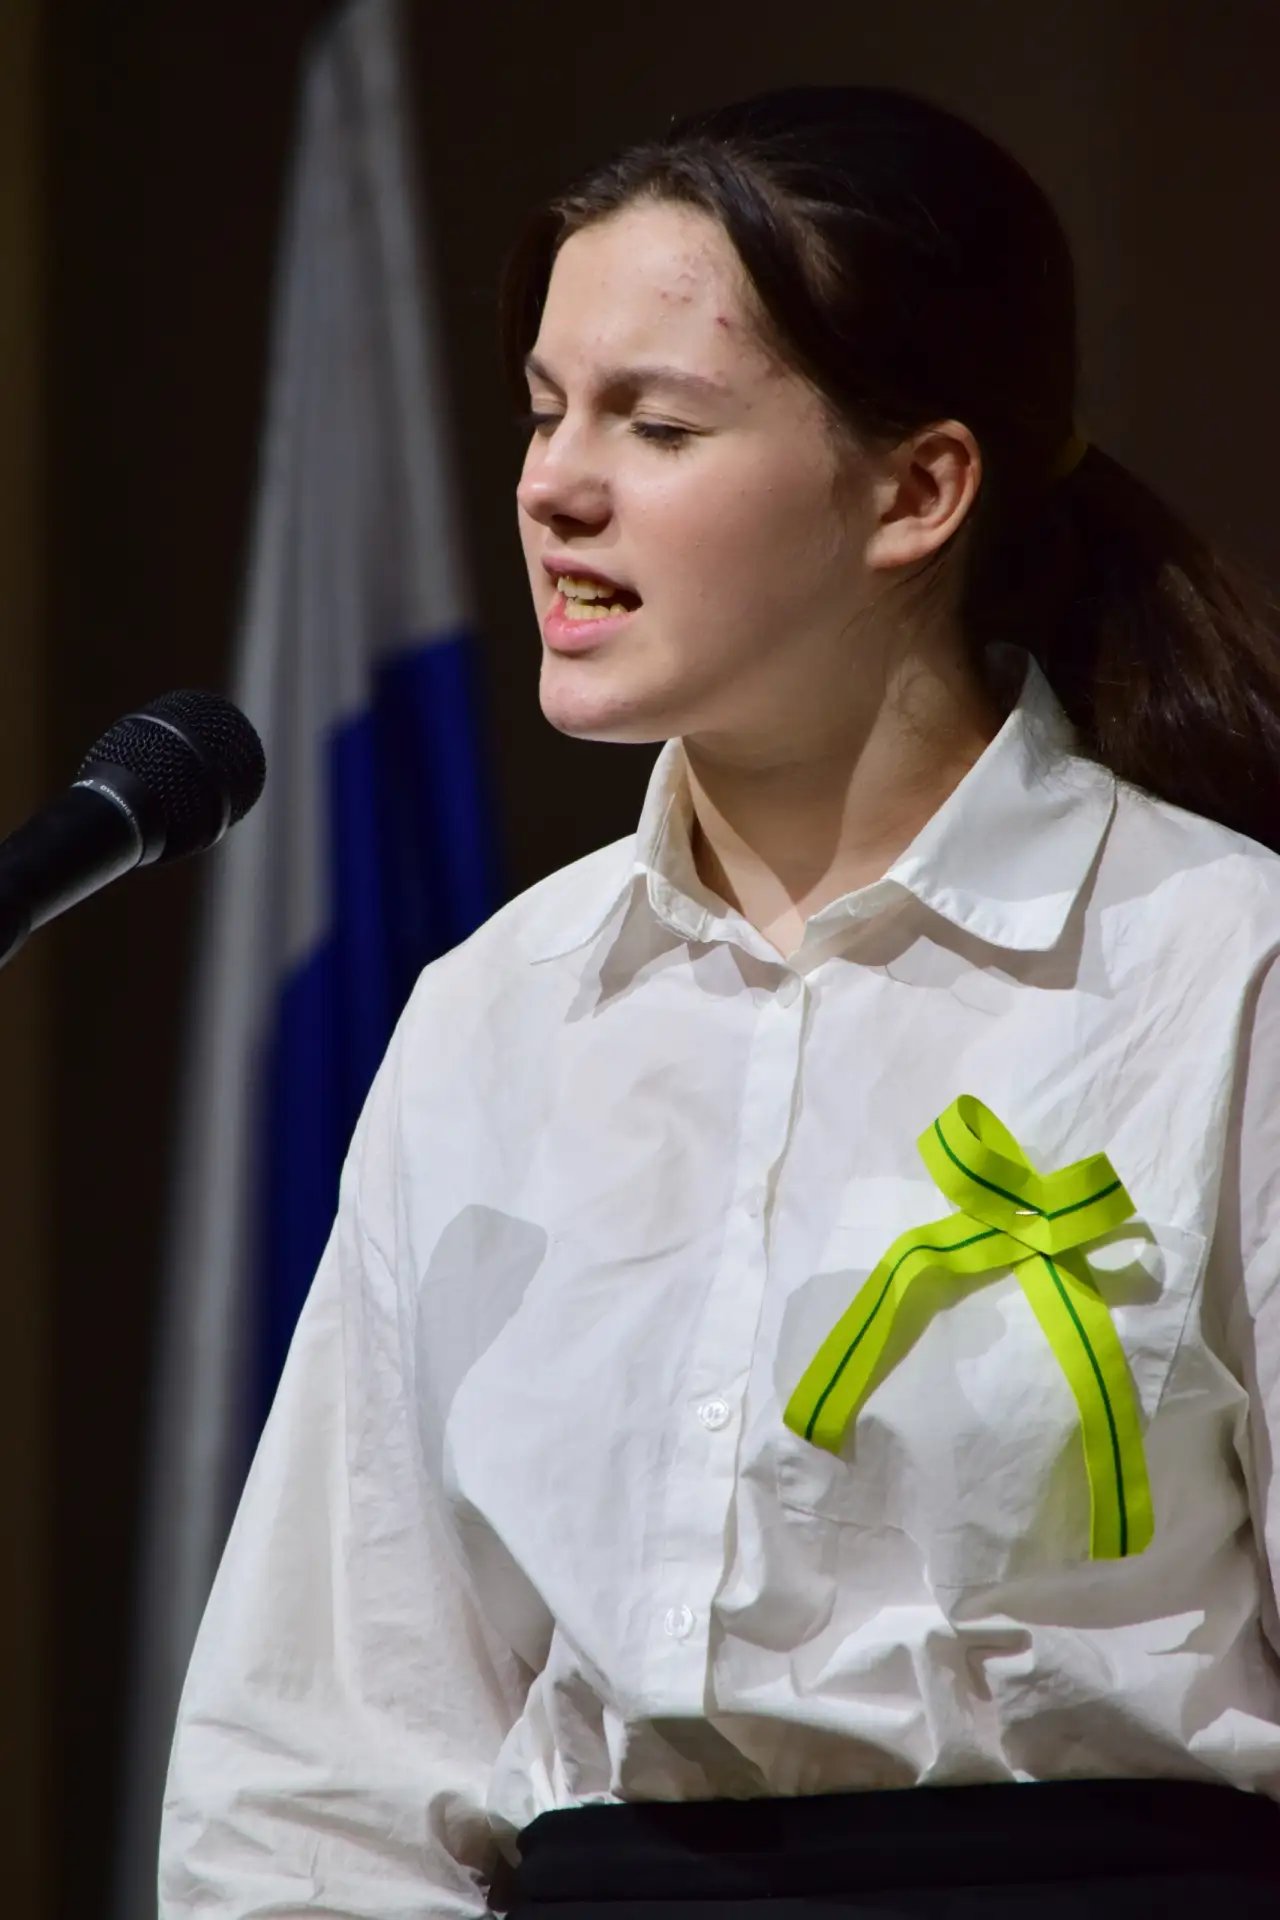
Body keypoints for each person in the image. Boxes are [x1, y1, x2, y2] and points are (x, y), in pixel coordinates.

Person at [159, 84, 1280, 1917]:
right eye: (544, 410)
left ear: (917, 490)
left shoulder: (1223, 967)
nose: (554, 484)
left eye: (657, 422)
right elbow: (319, 1766)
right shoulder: (492, 1015)